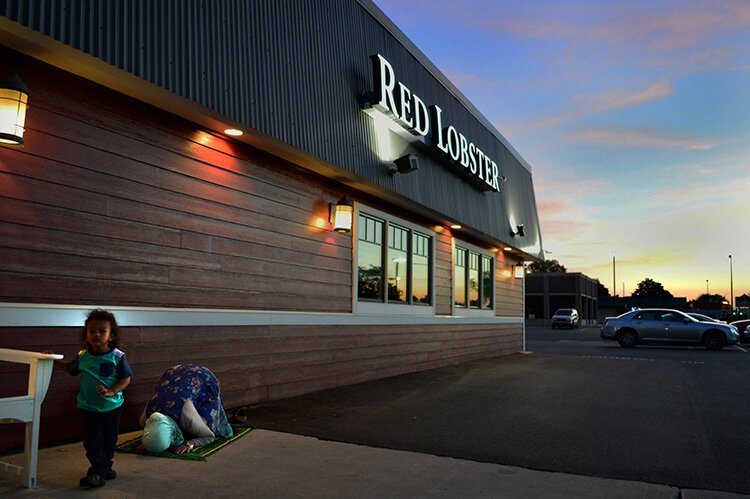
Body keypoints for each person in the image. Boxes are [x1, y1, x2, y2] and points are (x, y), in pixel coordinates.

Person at [48, 309, 133, 489]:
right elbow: (71, 369)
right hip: (87, 407)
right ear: (86, 335)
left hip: (112, 407)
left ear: (111, 335)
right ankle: (97, 472)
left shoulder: (118, 356)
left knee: (109, 441)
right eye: (92, 331)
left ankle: (104, 467)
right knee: (92, 441)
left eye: (102, 331)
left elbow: (125, 378)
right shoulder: (83, 356)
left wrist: (112, 390)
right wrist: (51, 360)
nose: (96, 334)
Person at [139, 364, 232, 454]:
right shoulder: (145, 418)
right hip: (173, 373)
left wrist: (191, 443)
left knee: (210, 423)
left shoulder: (187, 417)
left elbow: (209, 436)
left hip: (202, 376)